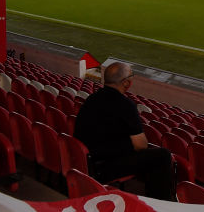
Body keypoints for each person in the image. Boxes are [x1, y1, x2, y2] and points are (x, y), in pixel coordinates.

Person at [74, 62, 176, 200]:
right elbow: (141, 145)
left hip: (86, 161)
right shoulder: (126, 105)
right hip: (103, 167)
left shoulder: (91, 99)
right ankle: (161, 203)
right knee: (162, 155)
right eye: (131, 76)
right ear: (126, 83)